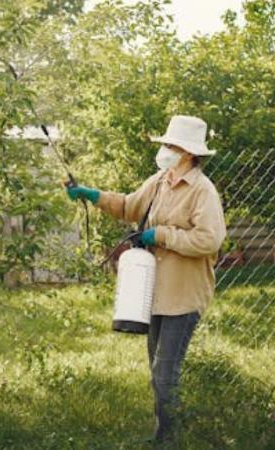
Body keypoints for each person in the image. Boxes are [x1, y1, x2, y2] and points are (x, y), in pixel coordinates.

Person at [66, 115, 227, 443]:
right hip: (154, 293)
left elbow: (210, 240)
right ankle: (165, 434)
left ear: (187, 152)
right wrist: (90, 195)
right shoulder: (159, 181)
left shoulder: (202, 191)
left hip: (183, 296)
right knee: (158, 373)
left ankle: (168, 440)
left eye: (170, 145)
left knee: (165, 375)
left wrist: (162, 235)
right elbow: (127, 206)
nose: (164, 150)